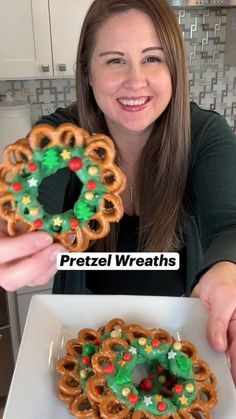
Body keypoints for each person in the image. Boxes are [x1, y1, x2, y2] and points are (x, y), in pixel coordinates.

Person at [0, 0, 236, 385]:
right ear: (87, 73)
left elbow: (229, 225)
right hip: (84, 349)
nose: (136, 80)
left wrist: (228, 270)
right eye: (114, 60)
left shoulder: (206, 137)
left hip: (174, 352)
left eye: (153, 59)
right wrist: (11, 232)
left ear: (175, 69)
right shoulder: (64, 139)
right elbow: (29, 198)